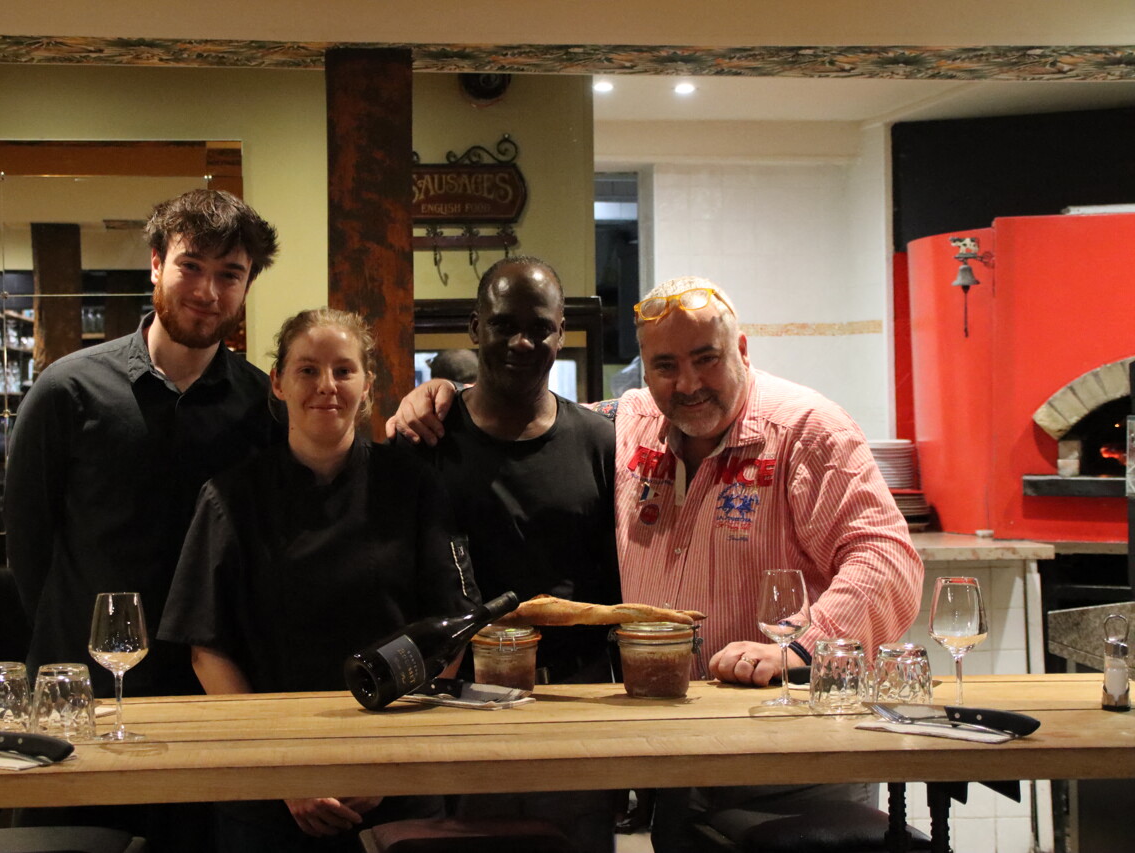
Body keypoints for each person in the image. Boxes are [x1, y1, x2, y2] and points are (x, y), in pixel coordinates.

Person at [391, 275, 924, 852]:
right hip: (681, 757)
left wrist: (797, 648)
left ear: (741, 350)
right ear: (643, 370)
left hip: (793, 760)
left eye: (706, 359)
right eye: (665, 364)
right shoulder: (630, 424)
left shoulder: (805, 430)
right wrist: (444, 391)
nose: (688, 383)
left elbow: (886, 556)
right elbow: (532, 412)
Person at [4, 189, 279, 852]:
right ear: (156, 263)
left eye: (230, 274)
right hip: (82, 703)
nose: (208, 290)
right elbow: (29, 550)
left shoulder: (260, 406)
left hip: (209, 701)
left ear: (246, 287)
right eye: (192, 266)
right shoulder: (68, 390)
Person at [158, 308, 480, 853]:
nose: (326, 386)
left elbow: (452, 629)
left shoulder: (414, 487)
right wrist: (285, 771)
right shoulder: (231, 497)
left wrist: (390, 762)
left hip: (398, 778)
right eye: (307, 370)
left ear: (367, 384)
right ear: (278, 384)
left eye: (343, 370)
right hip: (267, 786)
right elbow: (206, 650)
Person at [398, 256, 620, 853]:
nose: (522, 341)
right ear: (475, 328)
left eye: (539, 327)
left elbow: (620, 576)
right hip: (461, 707)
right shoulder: (427, 441)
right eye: (503, 325)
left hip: (577, 703)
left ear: (560, 330)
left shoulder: (600, 440)